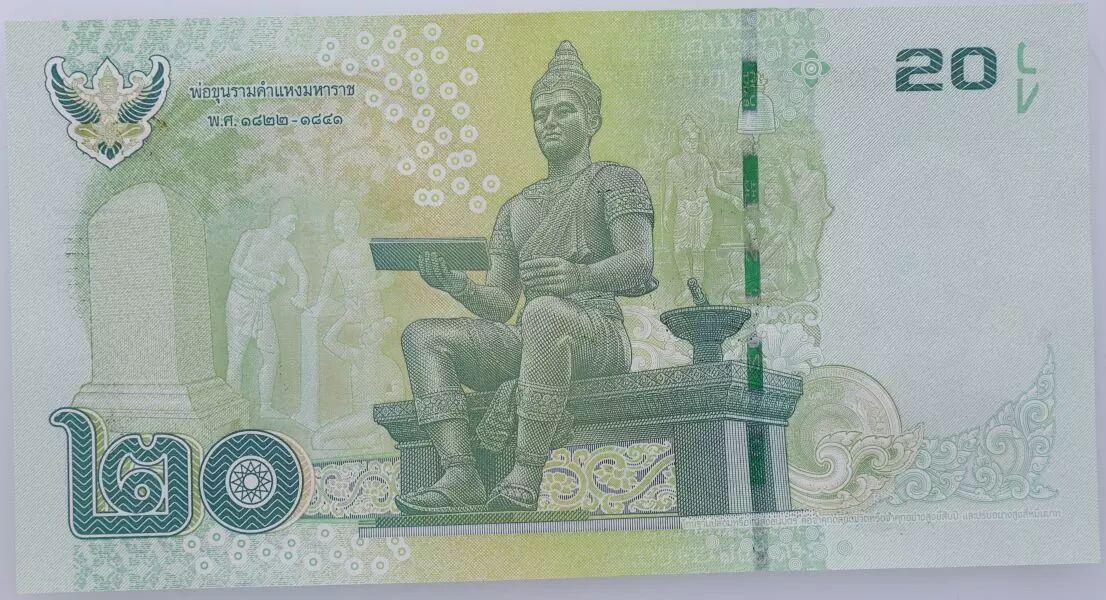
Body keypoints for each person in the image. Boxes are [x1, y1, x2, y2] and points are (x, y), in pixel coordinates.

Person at [396, 41, 657, 514]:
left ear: (593, 121)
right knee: (423, 336)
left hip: (596, 335)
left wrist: (579, 275)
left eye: (564, 111)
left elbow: (639, 264)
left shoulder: (615, 181)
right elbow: (501, 304)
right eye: (541, 114)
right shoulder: (517, 208)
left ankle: (527, 470)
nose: (549, 122)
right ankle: (460, 473)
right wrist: (457, 284)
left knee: (543, 313)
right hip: (533, 333)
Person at [225, 197, 307, 419]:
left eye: (295, 223)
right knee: (237, 356)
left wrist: (302, 294)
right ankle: (235, 409)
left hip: (261, 305)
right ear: (276, 218)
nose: (293, 228)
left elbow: (301, 273)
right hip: (240, 300)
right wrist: (259, 281)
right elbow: (234, 268)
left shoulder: (287, 248)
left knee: (271, 355)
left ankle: (265, 407)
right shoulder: (251, 236)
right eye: (290, 221)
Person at [662, 115, 739, 303]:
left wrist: (732, 198)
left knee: (698, 251)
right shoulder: (672, 163)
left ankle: (695, 289)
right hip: (683, 209)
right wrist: (665, 212)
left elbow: (712, 189)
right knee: (679, 250)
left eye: (695, 140)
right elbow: (669, 190)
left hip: (702, 209)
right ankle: (688, 286)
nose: (693, 144)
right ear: (681, 141)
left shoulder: (703, 161)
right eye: (689, 140)